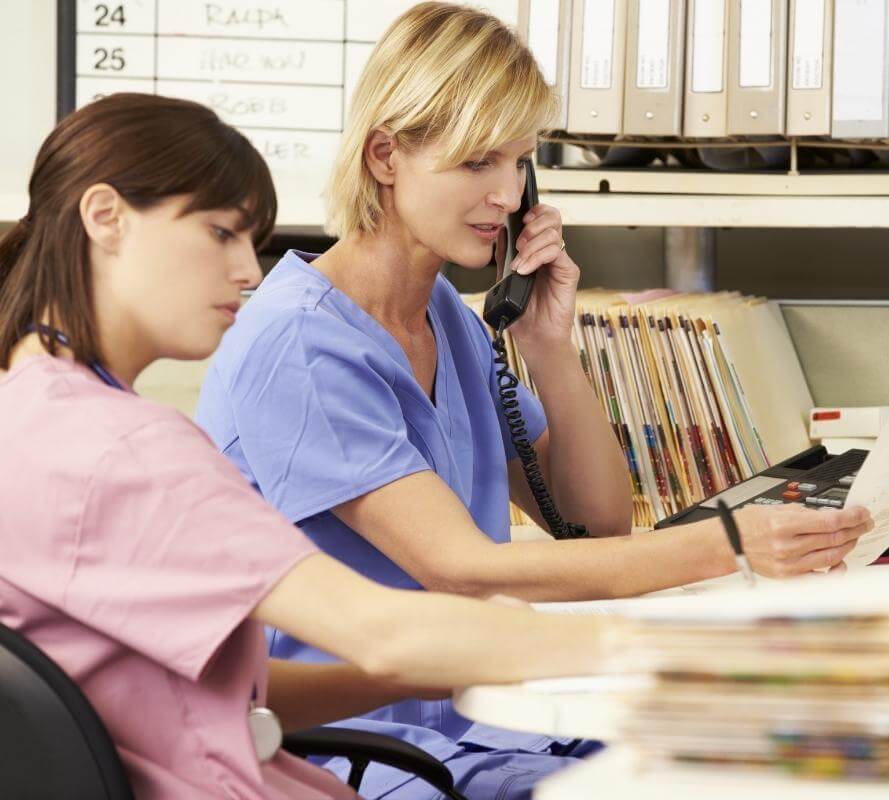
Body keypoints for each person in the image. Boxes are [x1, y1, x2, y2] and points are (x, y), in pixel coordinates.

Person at [195, 3, 874, 797]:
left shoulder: (447, 314)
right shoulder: (304, 346)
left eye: (522, 163)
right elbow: (465, 570)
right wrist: (730, 539)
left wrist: (551, 345)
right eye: (480, 162)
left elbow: (593, 521)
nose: (509, 196)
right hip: (359, 749)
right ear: (386, 155)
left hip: (485, 714)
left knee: (775, 758)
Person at [0, 92, 621, 800]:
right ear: (105, 217)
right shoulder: (132, 450)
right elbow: (379, 631)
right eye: (220, 233)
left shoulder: (28, 414)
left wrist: (437, 667)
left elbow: (221, 697)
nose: (249, 272)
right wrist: (672, 653)